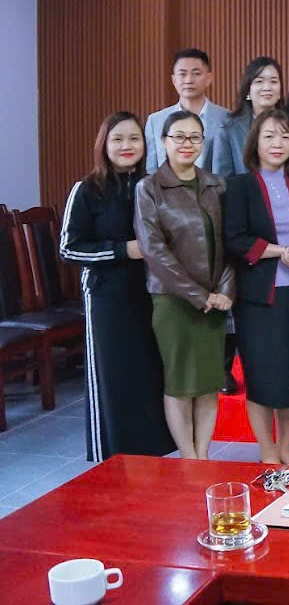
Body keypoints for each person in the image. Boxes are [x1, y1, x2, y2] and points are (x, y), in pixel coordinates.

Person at [59, 111, 174, 462]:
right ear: (104, 145)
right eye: (118, 139)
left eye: (134, 139)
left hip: (151, 294)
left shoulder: (152, 186)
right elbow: (69, 248)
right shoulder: (87, 190)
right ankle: (111, 458)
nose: (127, 146)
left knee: (148, 375)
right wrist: (124, 250)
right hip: (107, 297)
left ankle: (151, 457)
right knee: (113, 377)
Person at [134, 110, 234, 460]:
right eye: (179, 136)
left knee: (208, 382)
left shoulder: (216, 185)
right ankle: (188, 459)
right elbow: (153, 250)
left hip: (214, 300)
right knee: (180, 383)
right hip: (173, 300)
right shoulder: (149, 187)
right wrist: (198, 295)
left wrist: (225, 292)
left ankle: (202, 456)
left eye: (194, 137)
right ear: (164, 141)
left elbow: (229, 243)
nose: (187, 144)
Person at [223, 109, 289, 465]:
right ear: (255, 142)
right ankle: (267, 452)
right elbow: (235, 238)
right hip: (258, 297)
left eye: (285, 136)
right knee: (262, 376)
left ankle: (286, 449)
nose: (277, 143)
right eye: (269, 136)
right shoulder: (239, 185)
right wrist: (283, 252)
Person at [145, 48, 229, 172]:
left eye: (196, 73)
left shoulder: (227, 119)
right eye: (182, 74)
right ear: (174, 80)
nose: (189, 80)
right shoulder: (155, 121)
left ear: (208, 78)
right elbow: (151, 171)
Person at [213, 56, 285, 177]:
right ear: (248, 90)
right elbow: (222, 179)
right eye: (259, 81)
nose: (267, 87)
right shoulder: (229, 129)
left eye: (273, 81)